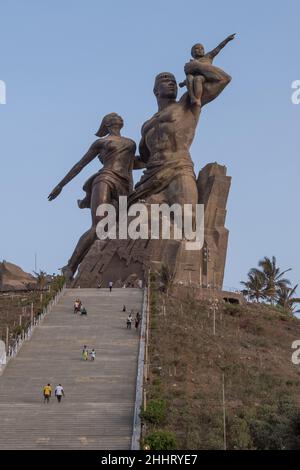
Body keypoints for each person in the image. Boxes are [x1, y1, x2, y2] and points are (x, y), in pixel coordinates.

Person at [48, 113, 140, 281]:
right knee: (98, 227)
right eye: (113, 117)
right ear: (106, 124)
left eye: (118, 116)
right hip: (105, 179)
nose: (117, 117)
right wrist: (60, 185)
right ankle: (70, 267)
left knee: (119, 228)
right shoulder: (101, 142)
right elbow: (80, 164)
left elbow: (132, 165)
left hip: (124, 186)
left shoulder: (131, 143)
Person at [179, 34, 236, 105]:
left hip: (205, 77)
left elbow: (218, 48)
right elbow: (189, 78)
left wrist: (227, 40)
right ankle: (192, 97)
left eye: (201, 48)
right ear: (192, 53)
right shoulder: (190, 63)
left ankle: (197, 98)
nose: (199, 50)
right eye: (196, 48)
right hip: (192, 78)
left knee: (198, 79)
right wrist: (183, 83)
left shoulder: (208, 57)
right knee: (189, 77)